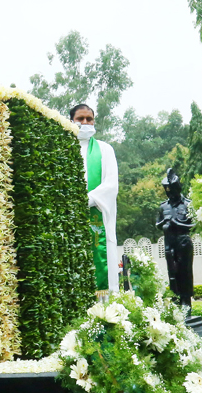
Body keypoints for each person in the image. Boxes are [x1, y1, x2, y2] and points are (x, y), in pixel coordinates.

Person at [71, 104, 120, 293]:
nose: (85, 123)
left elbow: (111, 185)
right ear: (71, 121)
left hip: (96, 214)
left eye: (89, 119)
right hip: (70, 217)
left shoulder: (104, 149)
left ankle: (105, 311)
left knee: (101, 258)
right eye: (80, 119)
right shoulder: (63, 149)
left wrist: (85, 200)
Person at [156, 169, 196, 316]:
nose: (168, 192)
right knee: (172, 272)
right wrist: (165, 224)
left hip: (183, 242)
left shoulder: (187, 204)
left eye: (170, 189)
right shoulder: (163, 206)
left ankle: (186, 301)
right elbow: (158, 223)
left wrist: (176, 224)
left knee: (185, 272)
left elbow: (194, 225)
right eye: (166, 189)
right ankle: (176, 300)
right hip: (169, 242)